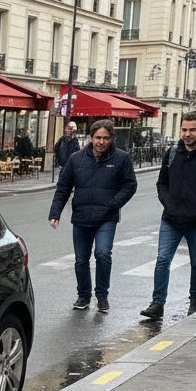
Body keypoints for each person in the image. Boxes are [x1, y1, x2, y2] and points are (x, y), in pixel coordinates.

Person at [140, 111, 196, 319]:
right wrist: (168, 203)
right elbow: (162, 183)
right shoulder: (172, 153)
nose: (187, 134)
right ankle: (157, 304)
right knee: (162, 260)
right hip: (171, 219)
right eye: (184, 129)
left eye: (192, 130)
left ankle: (195, 302)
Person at [48, 118, 138, 313]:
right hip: (81, 216)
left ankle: (102, 295)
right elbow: (63, 187)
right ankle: (83, 295)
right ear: (91, 138)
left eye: (105, 138)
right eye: (98, 138)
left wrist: (113, 204)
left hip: (106, 217)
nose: (101, 142)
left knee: (103, 253)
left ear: (112, 139)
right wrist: (55, 212)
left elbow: (130, 185)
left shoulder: (121, 158)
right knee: (81, 259)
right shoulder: (76, 159)